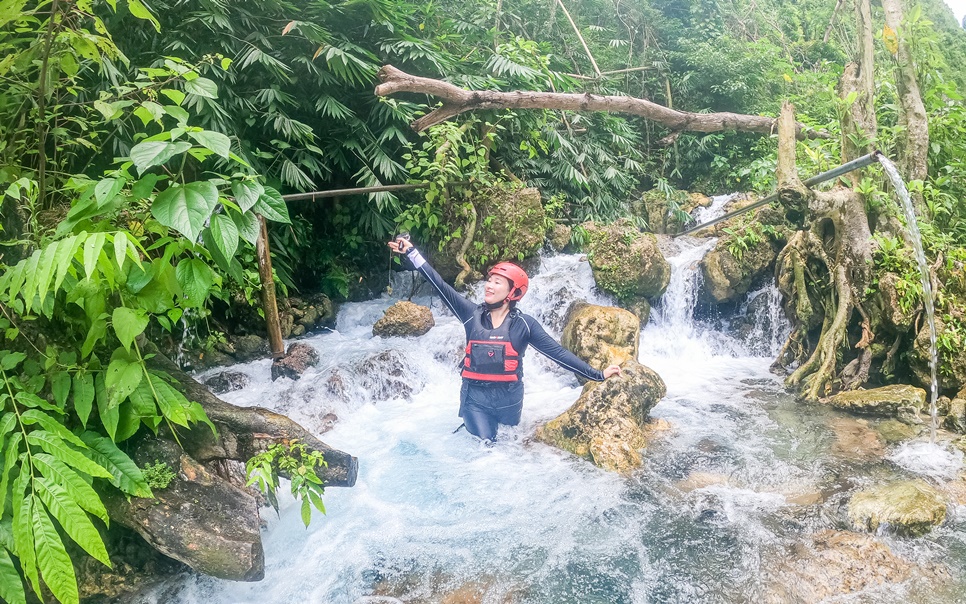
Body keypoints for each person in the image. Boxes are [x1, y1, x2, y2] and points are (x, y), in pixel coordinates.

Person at [387, 236, 622, 443]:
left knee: (511, 448)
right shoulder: (470, 315)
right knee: (486, 448)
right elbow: (439, 285)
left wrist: (598, 374)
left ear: (513, 292)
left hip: (509, 401)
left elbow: (558, 354)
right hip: (475, 400)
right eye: (489, 281)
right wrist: (411, 252)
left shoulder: (525, 325)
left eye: (497, 282)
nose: (489, 285)